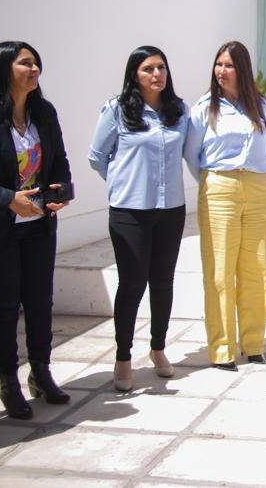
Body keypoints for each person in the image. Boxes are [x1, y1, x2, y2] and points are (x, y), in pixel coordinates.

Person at [0, 41, 72, 420]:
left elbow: (59, 161)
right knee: (5, 308)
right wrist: (8, 199)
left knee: (40, 302)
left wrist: (61, 191)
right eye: (25, 63)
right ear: (3, 68)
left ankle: (41, 372)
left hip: (38, 227)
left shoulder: (44, 112)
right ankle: (9, 380)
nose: (34, 68)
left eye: (36, 62)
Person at [88, 46, 189, 391]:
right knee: (132, 283)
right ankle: (123, 357)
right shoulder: (117, 110)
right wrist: (123, 183)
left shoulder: (179, 111)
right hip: (129, 211)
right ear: (135, 74)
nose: (156, 74)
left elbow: (188, 152)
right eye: (148, 69)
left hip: (170, 209)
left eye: (161, 67)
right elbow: (97, 156)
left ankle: (158, 348)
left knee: (163, 281)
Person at [185, 41, 266, 371]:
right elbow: (192, 154)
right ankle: (222, 348)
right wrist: (214, 182)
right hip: (218, 188)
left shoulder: (260, 107)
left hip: (257, 189)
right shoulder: (204, 108)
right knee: (220, 271)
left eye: (229, 65)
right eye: (218, 64)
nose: (221, 71)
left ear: (243, 69)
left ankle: (253, 344)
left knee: (256, 268)